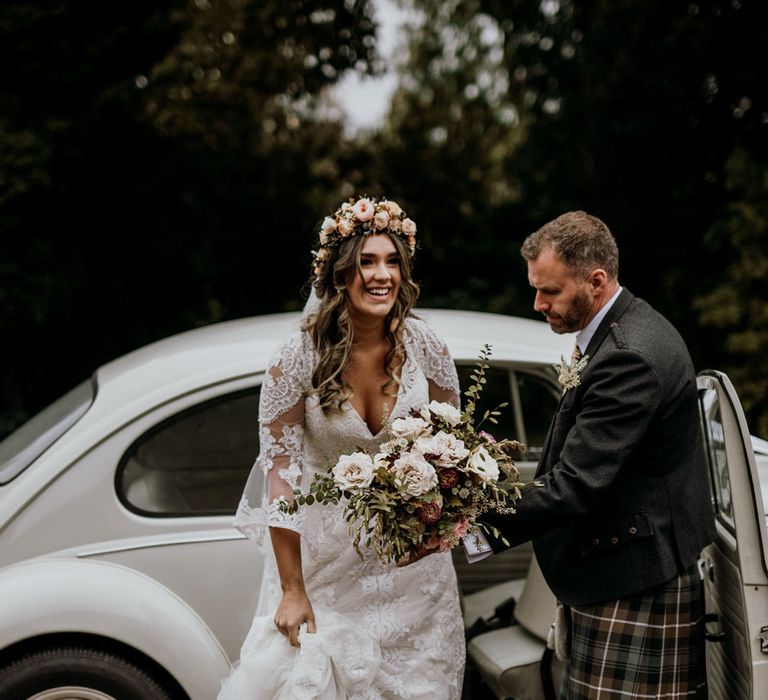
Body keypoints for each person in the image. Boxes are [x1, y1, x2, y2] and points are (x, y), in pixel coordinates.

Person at [219, 196, 465, 699]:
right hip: (324, 568)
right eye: (366, 262)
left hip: (413, 572)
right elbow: (281, 471)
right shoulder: (296, 358)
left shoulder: (427, 348)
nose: (382, 275)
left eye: (393, 260)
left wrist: (439, 530)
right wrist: (292, 589)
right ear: (337, 274)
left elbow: (452, 451)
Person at [478, 211, 715, 698]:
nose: (537, 303)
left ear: (597, 280)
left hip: (636, 583)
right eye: (536, 288)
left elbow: (574, 485)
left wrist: (466, 524)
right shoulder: (615, 332)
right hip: (618, 573)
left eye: (550, 291)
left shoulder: (630, 354)